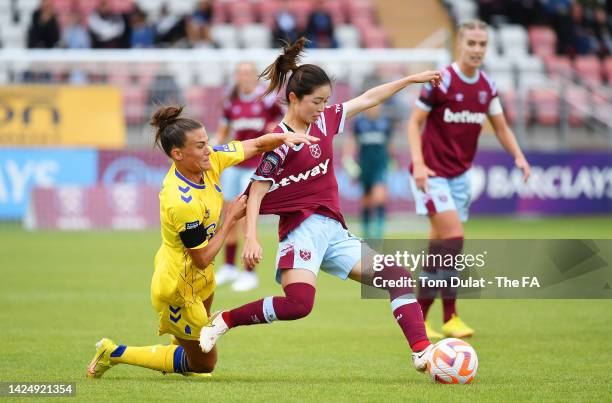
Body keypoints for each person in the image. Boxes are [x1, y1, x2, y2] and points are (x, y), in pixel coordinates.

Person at [200, 37, 443, 374]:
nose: (322, 108)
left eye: (326, 101)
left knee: (398, 277)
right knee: (299, 305)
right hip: (301, 233)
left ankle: (422, 353)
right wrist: (253, 237)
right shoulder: (280, 141)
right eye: (317, 101)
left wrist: (407, 81)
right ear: (294, 98)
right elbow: (255, 192)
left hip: (334, 230)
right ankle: (224, 320)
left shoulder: (326, 121)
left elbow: (368, 98)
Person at [86, 105, 316, 379]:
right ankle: (114, 352)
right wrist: (230, 219)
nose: (209, 149)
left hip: (201, 277)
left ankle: (181, 349)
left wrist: (283, 138)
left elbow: (254, 145)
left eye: (207, 142)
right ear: (178, 154)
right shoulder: (179, 200)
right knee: (205, 365)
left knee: (192, 343)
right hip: (179, 287)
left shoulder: (211, 161)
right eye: (200, 146)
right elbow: (202, 257)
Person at [406, 20, 531, 340]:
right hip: (432, 175)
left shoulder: (487, 86)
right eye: (471, 43)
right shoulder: (441, 81)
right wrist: (419, 164)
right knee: (454, 239)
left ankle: (417, 318)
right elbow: (413, 123)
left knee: (438, 248)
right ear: (459, 45)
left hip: (460, 177)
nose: (477, 49)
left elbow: (501, 127)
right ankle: (451, 316)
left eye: (482, 44)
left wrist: (518, 155)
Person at [215, 62, 284, 291]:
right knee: (228, 214)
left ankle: (249, 273)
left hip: (256, 165)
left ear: (255, 77)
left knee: (246, 216)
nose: (245, 77)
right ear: (237, 77)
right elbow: (223, 132)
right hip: (235, 164)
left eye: (248, 73)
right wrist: (212, 150)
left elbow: (281, 124)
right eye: (241, 73)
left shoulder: (266, 101)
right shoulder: (231, 104)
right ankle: (229, 267)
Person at [343, 103, 394, 239]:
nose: (374, 108)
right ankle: (366, 230)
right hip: (365, 166)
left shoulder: (385, 122)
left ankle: (378, 231)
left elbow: (389, 144)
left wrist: (392, 160)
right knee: (366, 199)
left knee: (379, 197)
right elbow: (352, 141)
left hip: (380, 165)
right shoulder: (359, 123)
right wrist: (347, 159)